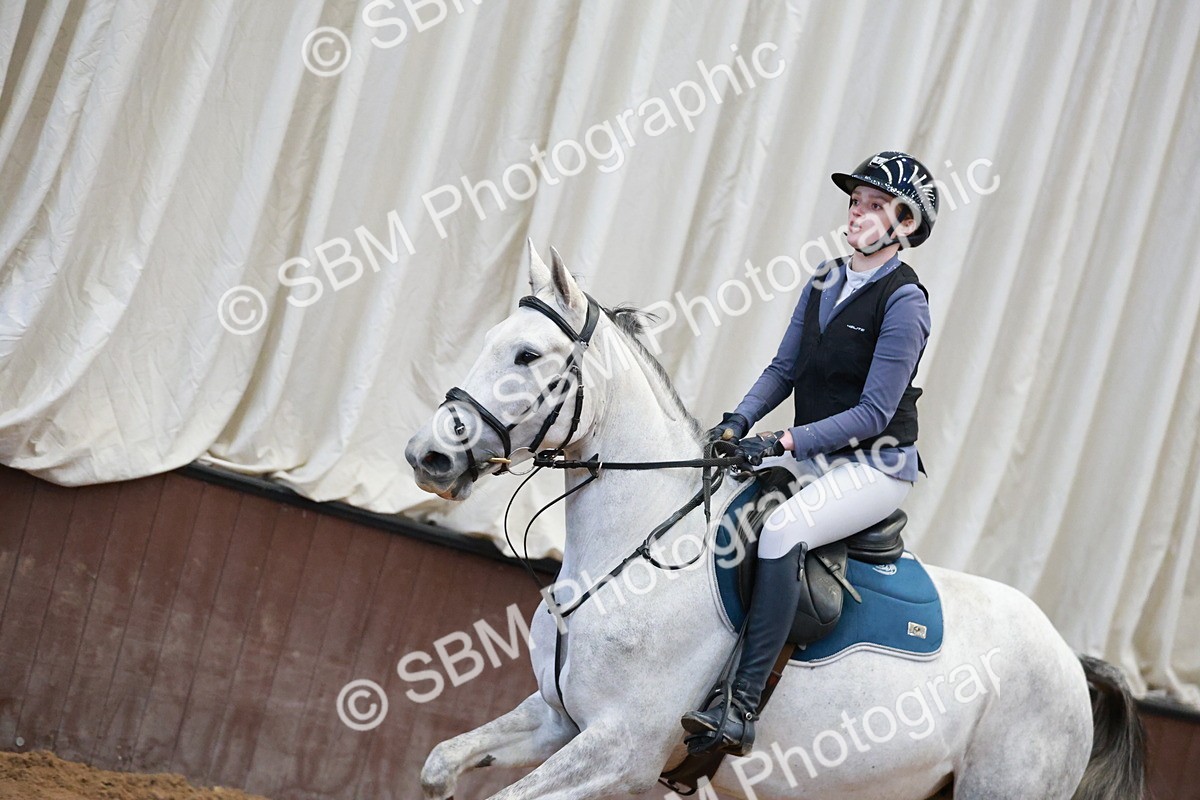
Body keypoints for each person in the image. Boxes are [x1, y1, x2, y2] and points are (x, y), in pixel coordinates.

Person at [680, 151, 939, 756]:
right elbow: (784, 368)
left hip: (874, 464)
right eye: (855, 202)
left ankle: (740, 706)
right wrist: (737, 421)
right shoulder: (825, 278)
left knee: (782, 531)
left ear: (904, 223)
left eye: (875, 206)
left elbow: (873, 414)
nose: (857, 213)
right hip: (815, 452)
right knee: (718, 494)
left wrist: (781, 441)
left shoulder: (906, 302)